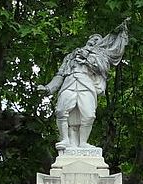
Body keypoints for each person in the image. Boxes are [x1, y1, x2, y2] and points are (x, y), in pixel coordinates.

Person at [39, 19, 129, 150]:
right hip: (69, 83)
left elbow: (103, 69)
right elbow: (59, 75)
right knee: (61, 111)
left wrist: (87, 58)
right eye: (91, 39)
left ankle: (83, 143)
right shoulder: (71, 56)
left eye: (97, 40)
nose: (93, 41)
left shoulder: (100, 57)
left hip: (86, 85)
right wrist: (48, 89)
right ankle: (65, 140)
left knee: (89, 115)